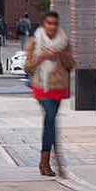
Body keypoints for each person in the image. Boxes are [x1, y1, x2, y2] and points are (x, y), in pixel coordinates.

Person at [24, 11, 75, 177]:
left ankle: (48, 160)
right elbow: (28, 67)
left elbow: (71, 65)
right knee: (51, 118)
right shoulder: (35, 41)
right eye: (49, 23)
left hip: (58, 87)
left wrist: (61, 55)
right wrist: (42, 57)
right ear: (43, 25)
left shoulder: (64, 42)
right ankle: (49, 159)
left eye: (55, 23)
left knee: (51, 122)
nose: (52, 27)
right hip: (41, 86)